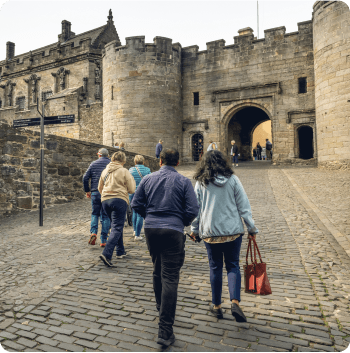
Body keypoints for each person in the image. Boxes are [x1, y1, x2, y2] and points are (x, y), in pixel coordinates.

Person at [131, 148, 199, 347]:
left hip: (152, 229)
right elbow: (193, 209)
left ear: (160, 161)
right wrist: (181, 221)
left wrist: (150, 217)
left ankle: (161, 307)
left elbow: (136, 204)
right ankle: (165, 329)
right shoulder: (184, 182)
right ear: (177, 163)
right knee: (169, 276)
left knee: (157, 269)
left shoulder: (148, 179)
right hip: (173, 229)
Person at [190, 150, 258, 323]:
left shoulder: (200, 182)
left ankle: (217, 306)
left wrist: (194, 229)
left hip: (211, 233)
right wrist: (251, 228)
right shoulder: (233, 179)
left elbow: (196, 210)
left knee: (215, 267)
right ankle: (235, 302)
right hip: (233, 231)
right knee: (233, 265)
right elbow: (244, 205)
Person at [98, 151, 136, 267]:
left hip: (105, 200)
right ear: (123, 161)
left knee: (116, 226)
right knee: (117, 227)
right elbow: (132, 189)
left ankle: (120, 251)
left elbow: (100, 187)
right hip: (119, 200)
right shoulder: (124, 171)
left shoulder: (105, 171)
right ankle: (107, 253)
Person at [83, 148, 111, 247]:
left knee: (95, 213)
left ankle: (93, 232)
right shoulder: (111, 164)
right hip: (107, 193)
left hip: (95, 192)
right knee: (106, 215)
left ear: (98, 155)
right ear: (108, 155)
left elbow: (85, 177)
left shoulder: (93, 164)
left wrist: (87, 190)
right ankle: (103, 240)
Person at [129, 155, 151, 241]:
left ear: (135, 162)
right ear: (144, 162)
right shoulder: (147, 170)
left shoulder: (130, 170)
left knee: (134, 211)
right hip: (142, 194)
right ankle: (137, 235)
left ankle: (135, 230)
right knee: (140, 214)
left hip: (133, 193)